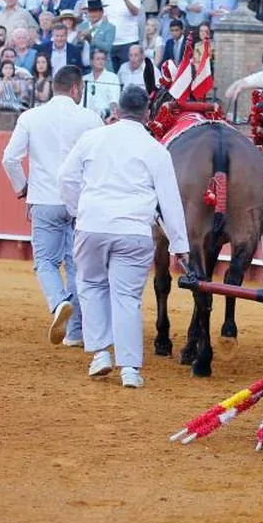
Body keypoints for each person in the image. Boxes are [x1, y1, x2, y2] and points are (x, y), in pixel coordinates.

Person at [56, 85, 190, 389]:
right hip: (133, 230)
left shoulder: (92, 138)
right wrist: (180, 246)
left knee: (91, 287)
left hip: (92, 225)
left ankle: (100, 354)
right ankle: (129, 368)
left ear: (116, 110)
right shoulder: (155, 148)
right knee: (127, 298)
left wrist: (79, 210)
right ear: (147, 114)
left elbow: (65, 177)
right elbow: (170, 201)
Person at [2, 66, 105, 348]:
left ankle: (58, 301)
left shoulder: (31, 117)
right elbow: (101, 160)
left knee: (45, 262)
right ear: (75, 89)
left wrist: (22, 187)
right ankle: (75, 333)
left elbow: (9, 159)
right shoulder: (90, 118)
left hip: (44, 199)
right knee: (76, 265)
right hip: (79, 203)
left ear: (53, 87)